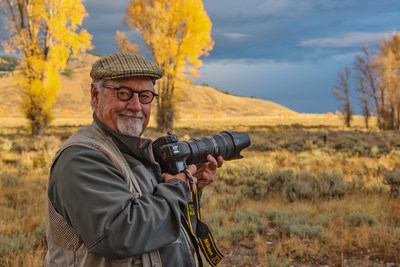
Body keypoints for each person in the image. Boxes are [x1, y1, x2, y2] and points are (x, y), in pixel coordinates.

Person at [45, 52, 223, 267]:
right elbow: (119, 235)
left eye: (145, 96)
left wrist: (190, 187)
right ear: (95, 94)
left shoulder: (133, 152)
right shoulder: (81, 157)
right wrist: (177, 189)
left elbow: (161, 230)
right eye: (123, 93)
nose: (136, 106)